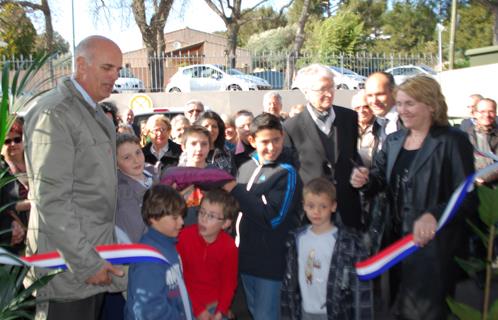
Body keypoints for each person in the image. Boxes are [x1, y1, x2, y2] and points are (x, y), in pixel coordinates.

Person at [350, 75, 475, 319]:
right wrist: (364, 180)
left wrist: (434, 215)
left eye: (410, 104)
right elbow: (379, 180)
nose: (402, 110)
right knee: (397, 310)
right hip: (395, 247)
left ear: (431, 105)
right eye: (400, 103)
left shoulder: (453, 141)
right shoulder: (395, 140)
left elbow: (468, 197)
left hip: (434, 251)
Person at [23, 35, 126, 319]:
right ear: (81, 65)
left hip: (91, 261)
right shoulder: (56, 113)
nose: (115, 76)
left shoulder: (89, 110)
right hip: (67, 269)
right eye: (108, 68)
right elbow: (52, 199)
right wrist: (87, 263)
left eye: (118, 69)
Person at [222, 113, 303, 320]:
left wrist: (236, 190)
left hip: (271, 262)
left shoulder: (287, 173)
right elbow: (238, 210)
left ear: (283, 136)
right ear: (251, 140)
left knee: (266, 315)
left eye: (276, 140)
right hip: (245, 258)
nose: (272, 146)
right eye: (264, 141)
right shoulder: (246, 167)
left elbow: (273, 218)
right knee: (254, 311)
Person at [283, 64, 363, 230]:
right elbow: (289, 174)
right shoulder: (291, 127)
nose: (328, 94)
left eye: (331, 87)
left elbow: (353, 157)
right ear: (306, 92)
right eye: (321, 89)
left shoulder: (349, 118)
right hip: (313, 215)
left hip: (347, 210)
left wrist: (360, 172)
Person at [281, 177, 373, 319]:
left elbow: (360, 287)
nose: (316, 211)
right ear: (303, 206)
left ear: (333, 206)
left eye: (323, 206)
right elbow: (288, 284)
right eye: (311, 206)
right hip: (304, 312)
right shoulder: (296, 239)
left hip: (335, 313)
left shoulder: (348, 243)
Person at [125, 185, 194, 320]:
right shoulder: (148, 260)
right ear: (154, 218)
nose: (181, 222)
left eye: (181, 215)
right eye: (174, 217)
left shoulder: (168, 245)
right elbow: (149, 310)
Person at [177, 189, 239, 320]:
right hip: (186, 302)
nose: (203, 219)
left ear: (226, 223)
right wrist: (198, 309)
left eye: (211, 216)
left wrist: (221, 310)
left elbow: (229, 284)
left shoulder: (229, 246)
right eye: (202, 212)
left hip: (215, 305)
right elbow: (180, 278)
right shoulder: (183, 237)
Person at [116, 133, 155, 243]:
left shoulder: (153, 175)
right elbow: (136, 235)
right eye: (127, 157)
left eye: (138, 152)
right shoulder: (123, 194)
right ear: (116, 164)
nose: (136, 160)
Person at [0, 118, 29, 254]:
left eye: (17, 139)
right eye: (7, 141)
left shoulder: (34, 162)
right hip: (19, 236)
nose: (13, 144)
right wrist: (33, 204)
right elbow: (6, 204)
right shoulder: (2, 170)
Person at [364, 72, 402, 158]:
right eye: (370, 95)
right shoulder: (377, 123)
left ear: (393, 92)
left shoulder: (408, 121)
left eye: (380, 94)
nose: (374, 101)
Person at [462, 98, 498, 184]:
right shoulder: (465, 136)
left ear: (495, 113)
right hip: (471, 185)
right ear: (475, 114)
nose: (487, 115)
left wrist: (483, 178)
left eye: (491, 111)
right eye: (482, 111)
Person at [195, 111, 236, 175]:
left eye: (214, 126)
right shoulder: (192, 153)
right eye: (206, 126)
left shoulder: (227, 153)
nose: (210, 130)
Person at [352, 90, 376, 168]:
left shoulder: (381, 127)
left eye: (366, 106)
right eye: (357, 108)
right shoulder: (347, 128)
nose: (361, 111)